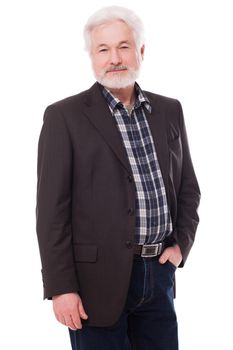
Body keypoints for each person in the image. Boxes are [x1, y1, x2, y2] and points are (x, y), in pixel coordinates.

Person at [36, 5, 200, 350]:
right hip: (95, 283)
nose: (115, 58)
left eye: (124, 46)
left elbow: (188, 188)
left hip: (158, 273)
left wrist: (180, 246)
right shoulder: (64, 117)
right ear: (92, 57)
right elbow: (51, 212)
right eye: (103, 49)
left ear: (140, 51)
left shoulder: (169, 109)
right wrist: (61, 287)